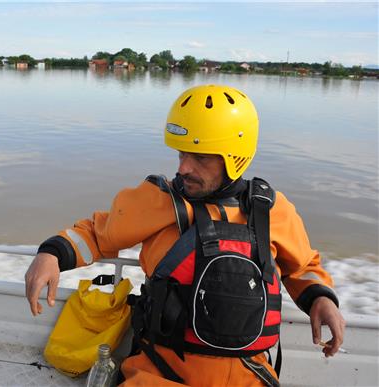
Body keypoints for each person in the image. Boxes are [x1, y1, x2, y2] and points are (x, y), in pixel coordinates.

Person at [25, 84, 345, 386]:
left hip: (248, 376)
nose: (183, 168)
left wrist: (320, 298)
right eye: (180, 154)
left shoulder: (271, 211)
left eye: (200, 157)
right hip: (159, 372)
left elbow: (301, 266)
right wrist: (52, 253)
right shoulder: (157, 202)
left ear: (234, 156)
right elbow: (96, 234)